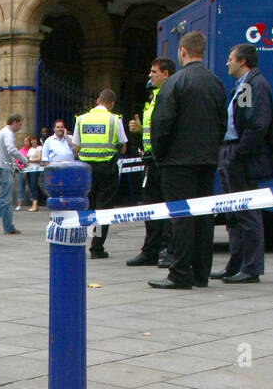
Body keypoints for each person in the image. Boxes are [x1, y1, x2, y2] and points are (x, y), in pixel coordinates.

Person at [148, 31, 227, 291]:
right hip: (206, 160)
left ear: (182, 51)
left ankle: (180, 272)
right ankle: (201, 273)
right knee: (203, 217)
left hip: (177, 162)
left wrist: (160, 155)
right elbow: (222, 123)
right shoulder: (215, 82)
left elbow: (162, 123)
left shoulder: (175, 83)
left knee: (181, 217)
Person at [216, 43, 273, 284]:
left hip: (239, 156)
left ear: (243, 61)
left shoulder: (255, 85)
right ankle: (235, 265)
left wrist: (239, 154)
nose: (227, 63)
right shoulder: (244, 85)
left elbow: (257, 124)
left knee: (246, 212)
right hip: (230, 152)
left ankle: (251, 268)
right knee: (233, 214)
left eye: (230, 58)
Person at [127, 58, 176, 267]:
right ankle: (150, 250)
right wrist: (139, 130)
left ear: (166, 74)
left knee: (167, 207)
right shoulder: (154, 97)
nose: (149, 75)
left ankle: (166, 248)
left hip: (164, 159)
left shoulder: (171, 95)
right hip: (150, 158)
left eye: (154, 71)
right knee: (151, 206)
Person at [70, 89, 127, 259]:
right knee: (103, 208)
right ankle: (97, 247)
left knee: (87, 205)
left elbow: (76, 147)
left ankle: (81, 240)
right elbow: (123, 147)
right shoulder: (115, 119)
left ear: (97, 101)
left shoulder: (81, 120)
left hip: (86, 169)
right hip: (107, 169)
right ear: (112, 104)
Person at [20, 135, 44, 211]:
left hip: (35, 169)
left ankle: (35, 203)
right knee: (30, 186)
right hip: (29, 169)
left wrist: (30, 161)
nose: (32, 141)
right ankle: (34, 203)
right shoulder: (31, 149)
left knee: (34, 185)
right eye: (32, 140)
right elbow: (27, 158)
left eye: (34, 140)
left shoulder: (39, 148)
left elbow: (39, 159)